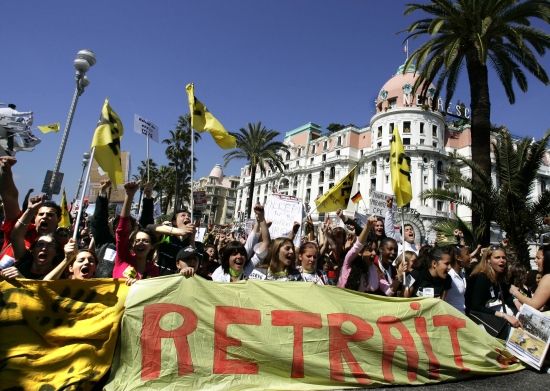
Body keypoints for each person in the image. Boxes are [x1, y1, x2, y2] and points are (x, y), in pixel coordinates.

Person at [465, 245, 520, 336]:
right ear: (488, 260)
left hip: (488, 316)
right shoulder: (481, 277)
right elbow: (475, 306)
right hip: (476, 321)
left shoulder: (498, 276)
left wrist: (516, 302)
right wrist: (503, 315)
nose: (502, 260)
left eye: (503, 258)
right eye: (497, 257)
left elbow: (505, 295)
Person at [112, 181, 159, 284]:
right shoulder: (123, 259)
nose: (141, 243)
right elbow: (121, 231)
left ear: (151, 246)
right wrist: (129, 195)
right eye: (137, 240)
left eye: (146, 241)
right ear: (132, 245)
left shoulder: (154, 270)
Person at [211, 204, 270, 282]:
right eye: (234, 254)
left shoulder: (246, 269)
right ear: (227, 258)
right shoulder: (218, 275)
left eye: (242, 254)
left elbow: (265, 243)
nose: (239, 257)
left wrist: (261, 218)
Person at [337, 216, 380, 293]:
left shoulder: (373, 269)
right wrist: (367, 227)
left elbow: (387, 291)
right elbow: (358, 245)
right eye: (370, 250)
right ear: (360, 252)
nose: (374, 253)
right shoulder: (348, 262)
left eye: (375, 250)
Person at [510, 245, 550, 312]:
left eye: (538, 258)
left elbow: (533, 305)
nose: (535, 260)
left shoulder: (548, 278)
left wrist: (514, 292)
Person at [445, 246, 468, 313]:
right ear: (458, 258)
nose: (470, 257)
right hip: (452, 315)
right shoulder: (450, 276)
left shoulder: (462, 274)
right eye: (467, 254)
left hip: (462, 314)